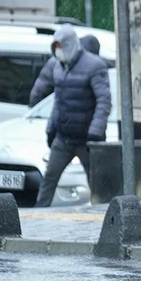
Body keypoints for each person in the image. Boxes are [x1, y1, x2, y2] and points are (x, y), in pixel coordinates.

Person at [36, 26, 111, 207]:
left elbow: (104, 100)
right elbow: (59, 102)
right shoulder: (58, 66)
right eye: (56, 47)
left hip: (87, 140)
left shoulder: (94, 65)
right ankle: (37, 214)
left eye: (61, 46)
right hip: (63, 138)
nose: (58, 51)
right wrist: (51, 129)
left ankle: (106, 216)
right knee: (49, 179)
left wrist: (95, 131)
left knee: (98, 184)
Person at [30, 35, 104, 148]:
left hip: (63, 126)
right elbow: (43, 95)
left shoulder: (60, 62)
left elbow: (40, 94)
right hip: (62, 126)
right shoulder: (60, 64)